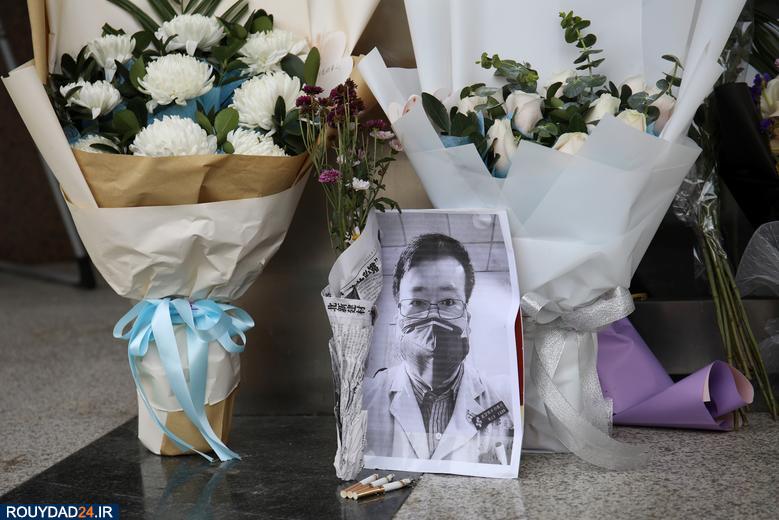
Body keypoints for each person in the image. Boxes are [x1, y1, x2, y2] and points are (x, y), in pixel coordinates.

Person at [364, 233, 514, 464]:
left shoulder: (504, 398)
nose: (433, 318)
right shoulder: (366, 398)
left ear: (467, 319)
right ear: (397, 320)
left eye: (448, 302)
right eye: (417, 302)